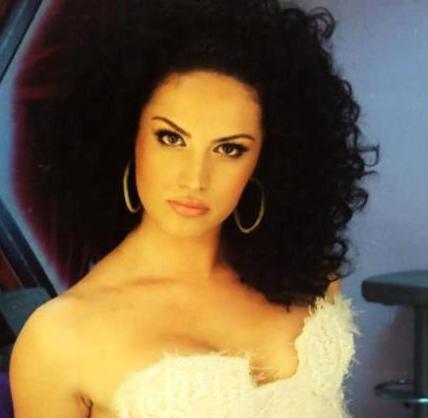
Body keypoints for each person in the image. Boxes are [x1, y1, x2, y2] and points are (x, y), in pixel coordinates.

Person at [9, 0, 379, 417]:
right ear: (127, 135)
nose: (195, 178)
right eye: (171, 139)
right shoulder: (59, 338)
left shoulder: (310, 277)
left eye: (229, 149)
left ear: (268, 158)